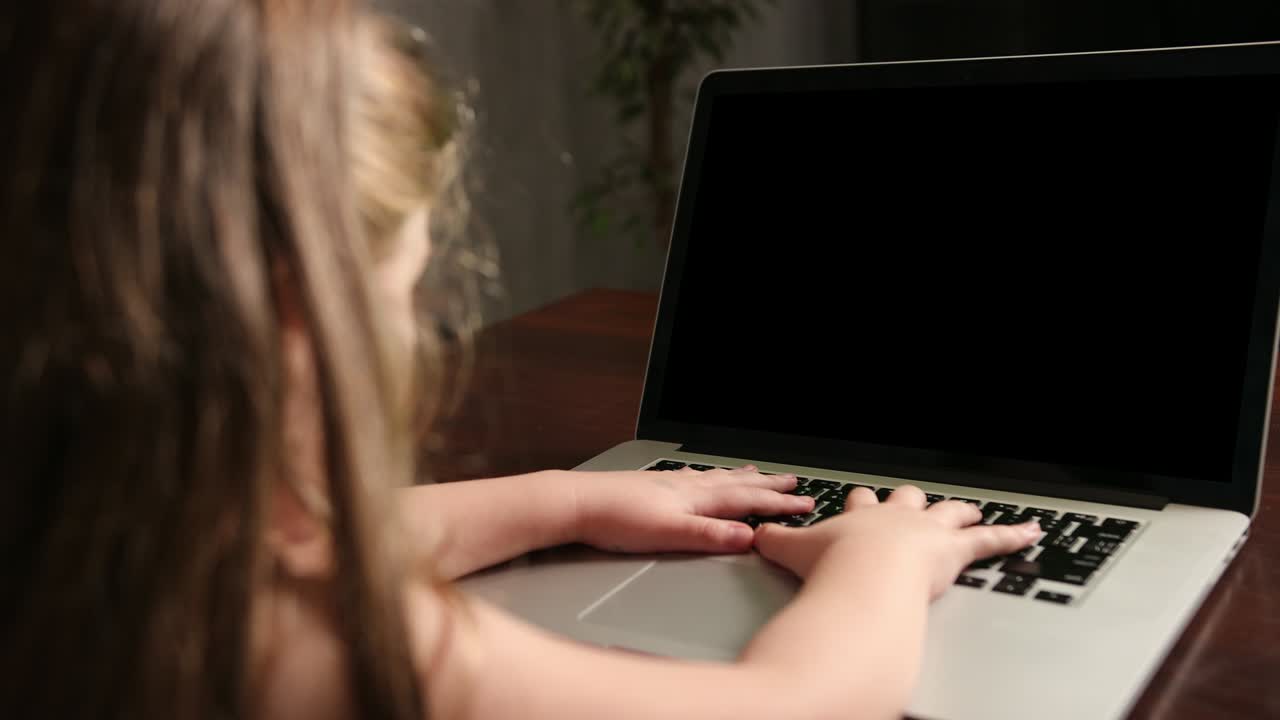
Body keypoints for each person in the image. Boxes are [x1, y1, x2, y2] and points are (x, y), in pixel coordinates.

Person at [0, 2, 1041, 719]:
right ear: (296, 308)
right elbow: (792, 706)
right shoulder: (323, 649)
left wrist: (561, 502)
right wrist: (883, 567)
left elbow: (286, 542)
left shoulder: (77, 535)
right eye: (403, 282)